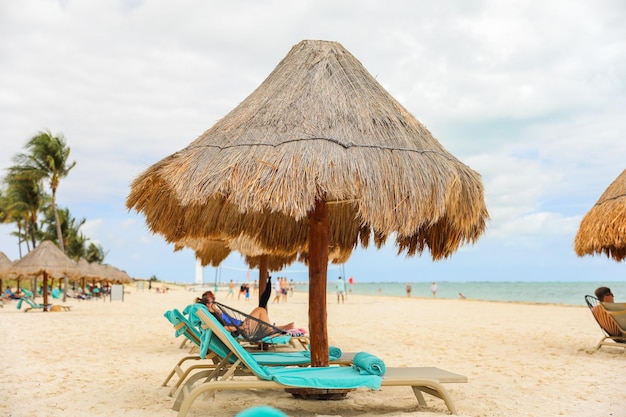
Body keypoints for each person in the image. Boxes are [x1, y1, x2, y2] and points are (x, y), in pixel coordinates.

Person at [197, 277, 294, 333]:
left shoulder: (215, 313)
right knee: (261, 309)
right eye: (213, 301)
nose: (215, 302)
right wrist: (242, 328)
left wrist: (218, 311)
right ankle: (272, 330)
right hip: (243, 328)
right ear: (208, 305)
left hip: (242, 324)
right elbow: (224, 328)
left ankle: (277, 328)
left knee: (260, 308)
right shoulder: (213, 316)